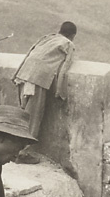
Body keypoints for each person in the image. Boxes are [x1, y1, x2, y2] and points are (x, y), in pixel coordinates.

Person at [11, 21, 77, 162]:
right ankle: (22, 153)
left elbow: (30, 52)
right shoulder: (68, 44)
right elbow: (64, 70)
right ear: (72, 35)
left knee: (22, 114)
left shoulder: (48, 37)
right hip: (39, 79)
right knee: (33, 117)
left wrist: (16, 74)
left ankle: (13, 150)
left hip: (24, 75)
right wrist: (60, 92)